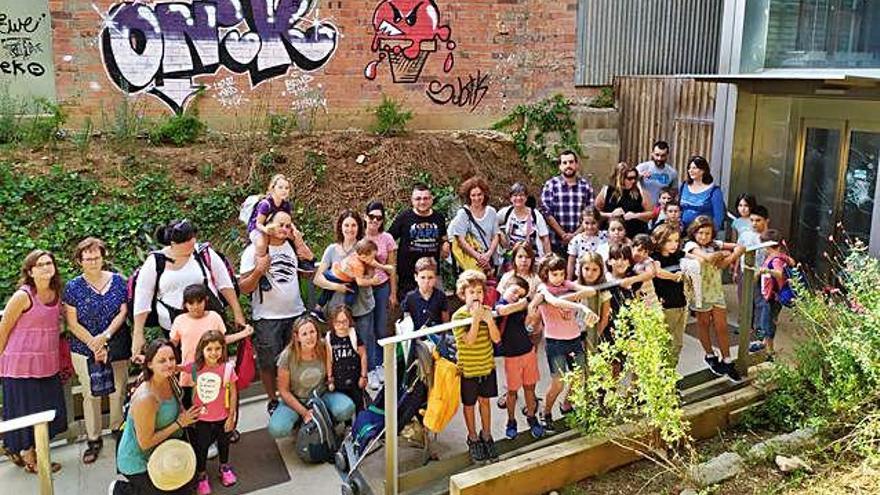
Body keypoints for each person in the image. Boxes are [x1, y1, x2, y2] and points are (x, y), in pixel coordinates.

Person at [131, 219, 248, 359]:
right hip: (176, 328)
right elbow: (143, 299)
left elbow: (225, 285)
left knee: (215, 363)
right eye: (187, 240)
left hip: (209, 322)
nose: (193, 241)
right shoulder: (156, 262)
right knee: (183, 364)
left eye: (193, 237)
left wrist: (237, 312)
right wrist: (138, 334)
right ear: (173, 244)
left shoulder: (203, 253)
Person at [62, 237, 131, 464]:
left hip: (116, 343)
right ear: (80, 261)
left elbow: (122, 312)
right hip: (84, 348)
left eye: (96, 257)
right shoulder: (72, 287)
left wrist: (105, 337)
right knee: (90, 394)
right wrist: (93, 342)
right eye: (87, 258)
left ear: (103, 257)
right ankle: (93, 439)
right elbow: (71, 322)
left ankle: (117, 428)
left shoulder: (119, 281)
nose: (92, 261)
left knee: (117, 390)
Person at [0, 250, 68, 475]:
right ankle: (28, 456)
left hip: (47, 363)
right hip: (19, 365)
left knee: (47, 410)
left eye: (49, 263)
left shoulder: (57, 293)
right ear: (30, 271)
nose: (46, 267)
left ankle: (28, 450)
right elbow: (4, 329)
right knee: (24, 412)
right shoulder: (23, 296)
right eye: (39, 265)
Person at [239, 210, 308, 416]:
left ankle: (297, 396)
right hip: (268, 317)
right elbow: (243, 287)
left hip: (295, 312)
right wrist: (259, 270)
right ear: (268, 225)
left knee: (297, 359)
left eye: (288, 225)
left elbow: (309, 270)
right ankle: (272, 399)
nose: (284, 229)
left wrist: (300, 242)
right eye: (280, 225)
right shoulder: (254, 251)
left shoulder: (291, 246)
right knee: (268, 362)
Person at [113, 339, 201, 495]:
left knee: (189, 484)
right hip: (138, 459)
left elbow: (195, 368)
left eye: (172, 359)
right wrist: (180, 423)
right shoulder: (146, 398)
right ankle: (121, 490)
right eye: (162, 361)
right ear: (149, 364)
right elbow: (145, 443)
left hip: (164, 447)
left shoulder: (170, 377)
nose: (169, 364)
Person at [314, 211, 379, 389]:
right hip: (340, 308)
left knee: (366, 339)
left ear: (359, 227)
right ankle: (340, 378)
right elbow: (318, 279)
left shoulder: (365, 247)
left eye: (353, 225)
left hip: (363, 304)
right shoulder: (331, 250)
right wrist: (338, 287)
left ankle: (370, 373)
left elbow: (374, 272)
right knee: (341, 345)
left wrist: (365, 273)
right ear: (340, 227)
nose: (350, 229)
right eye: (346, 225)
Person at [533, 254, 597, 431]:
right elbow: (553, 301)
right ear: (546, 274)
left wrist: (569, 294)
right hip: (556, 343)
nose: (559, 278)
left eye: (561, 274)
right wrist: (580, 305)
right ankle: (545, 412)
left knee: (579, 376)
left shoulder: (566, 285)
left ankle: (567, 405)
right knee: (558, 382)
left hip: (574, 339)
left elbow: (590, 291)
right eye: (555, 274)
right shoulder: (542, 288)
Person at [267, 317, 356, 439]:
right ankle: (299, 422)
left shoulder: (325, 346)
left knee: (347, 408)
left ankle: (327, 421)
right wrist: (304, 413)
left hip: (321, 395)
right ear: (297, 337)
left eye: (312, 332)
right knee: (277, 429)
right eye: (304, 334)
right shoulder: (287, 356)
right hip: (296, 398)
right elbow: (283, 391)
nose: (309, 337)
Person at [683, 215, 745, 383]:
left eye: (708, 233)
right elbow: (710, 259)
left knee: (722, 327)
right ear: (694, 233)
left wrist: (730, 256)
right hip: (700, 293)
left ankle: (727, 360)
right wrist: (722, 254)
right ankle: (710, 355)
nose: (704, 236)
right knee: (703, 325)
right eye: (700, 232)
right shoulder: (690, 245)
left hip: (716, 292)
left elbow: (739, 248)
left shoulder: (715, 244)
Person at [170, 284, 251, 405]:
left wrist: (243, 334)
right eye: (191, 303)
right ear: (185, 304)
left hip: (214, 371)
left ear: (206, 300)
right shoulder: (179, 320)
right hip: (189, 373)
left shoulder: (214, 317)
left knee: (217, 406)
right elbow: (172, 344)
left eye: (199, 302)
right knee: (190, 409)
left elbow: (222, 340)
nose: (195, 307)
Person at [452, 270, 502, 463]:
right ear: (463, 294)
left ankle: (487, 435)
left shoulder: (488, 311)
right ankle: (472, 437)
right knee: (470, 405)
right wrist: (475, 319)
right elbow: (469, 341)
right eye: (471, 292)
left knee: (485, 402)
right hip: (468, 370)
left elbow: (496, 339)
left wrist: (488, 320)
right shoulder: (458, 317)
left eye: (479, 292)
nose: (476, 296)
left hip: (486, 366)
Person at [180, 331, 238, 494]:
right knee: (202, 446)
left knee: (224, 443)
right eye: (209, 349)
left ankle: (224, 467)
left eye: (217, 348)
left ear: (223, 349)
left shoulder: (227, 369)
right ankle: (202, 474)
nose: (214, 353)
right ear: (202, 350)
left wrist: (231, 416)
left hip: (223, 417)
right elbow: (177, 367)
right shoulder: (195, 368)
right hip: (202, 418)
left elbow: (233, 393)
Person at [494, 276, 544, 440]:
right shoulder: (500, 305)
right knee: (512, 391)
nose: (517, 296)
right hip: (511, 357)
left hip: (528, 352)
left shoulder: (522, 305)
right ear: (506, 287)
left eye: (521, 294)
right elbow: (503, 311)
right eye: (514, 291)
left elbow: (534, 303)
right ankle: (511, 420)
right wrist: (522, 303)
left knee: (530, 389)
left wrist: (527, 305)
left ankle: (531, 416)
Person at [388, 184, 450, 301]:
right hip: (408, 278)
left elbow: (443, 238)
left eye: (426, 198)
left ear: (431, 200)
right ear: (412, 201)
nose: (422, 202)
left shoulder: (439, 218)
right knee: (409, 316)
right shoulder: (404, 217)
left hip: (431, 275)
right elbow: (388, 239)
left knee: (437, 311)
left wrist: (445, 244)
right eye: (418, 198)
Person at [363, 201, 398, 378]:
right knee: (366, 328)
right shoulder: (359, 236)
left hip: (382, 286)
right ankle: (370, 367)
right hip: (363, 289)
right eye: (372, 217)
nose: (375, 221)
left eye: (379, 218)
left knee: (381, 327)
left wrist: (393, 292)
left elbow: (392, 267)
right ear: (365, 216)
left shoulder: (387, 238)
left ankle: (379, 363)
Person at [312, 238, 385, 321]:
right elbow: (360, 282)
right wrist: (372, 281)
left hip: (332, 273)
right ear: (364, 256)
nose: (372, 260)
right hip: (339, 277)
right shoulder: (359, 265)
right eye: (371, 258)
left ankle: (318, 308)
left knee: (327, 292)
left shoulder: (356, 253)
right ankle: (347, 310)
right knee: (352, 290)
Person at [540, 150, 595, 257]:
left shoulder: (586, 187)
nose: (568, 165)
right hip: (556, 242)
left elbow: (591, 214)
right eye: (564, 163)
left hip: (580, 242)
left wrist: (574, 235)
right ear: (560, 166)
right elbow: (546, 212)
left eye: (571, 162)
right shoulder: (551, 185)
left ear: (576, 164)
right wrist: (563, 234)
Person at [651, 224, 688, 368]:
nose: (674, 244)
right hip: (665, 305)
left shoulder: (677, 255)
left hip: (681, 302)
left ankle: (670, 376)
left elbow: (694, 256)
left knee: (677, 344)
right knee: (664, 344)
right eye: (669, 241)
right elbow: (657, 271)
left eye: (676, 240)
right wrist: (674, 277)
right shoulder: (655, 257)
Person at [448, 176, 501, 275]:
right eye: (473, 195)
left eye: (479, 194)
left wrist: (488, 255)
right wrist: (478, 257)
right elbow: (461, 240)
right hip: (471, 259)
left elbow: (496, 235)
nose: (477, 198)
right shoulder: (463, 214)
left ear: (484, 194)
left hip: (489, 258)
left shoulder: (491, 212)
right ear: (469, 196)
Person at [755, 230, 794, 358]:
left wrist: (766, 270)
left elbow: (779, 273)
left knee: (767, 322)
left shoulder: (776, 259)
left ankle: (769, 350)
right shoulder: (782, 256)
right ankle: (763, 343)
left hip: (773, 296)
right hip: (771, 295)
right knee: (765, 320)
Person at [402, 257, 451, 354]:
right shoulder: (410, 297)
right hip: (417, 341)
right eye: (423, 277)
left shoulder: (440, 296)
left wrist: (442, 336)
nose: (426, 281)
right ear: (416, 277)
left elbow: (445, 320)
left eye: (430, 278)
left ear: (435, 278)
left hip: (437, 339)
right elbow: (406, 323)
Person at [325, 306, 367, 413]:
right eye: (338, 322)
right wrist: (330, 378)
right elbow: (329, 359)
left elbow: (363, 355)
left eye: (344, 322)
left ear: (349, 321)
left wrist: (364, 376)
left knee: (359, 404)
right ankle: (347, 426)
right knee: (343, 406)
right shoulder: (330, 337)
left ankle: (359, 426)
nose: (341, 326)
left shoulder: (353, 335)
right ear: (333, 323)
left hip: (355, 378)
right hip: (339, 380)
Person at [595, 163, 653, 239]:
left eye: (635, 178)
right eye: (630, 178)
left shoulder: (640, 191)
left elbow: (651, 213)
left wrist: (635, 215)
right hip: (611, 236)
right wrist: (611, 214)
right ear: (620, 178)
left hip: (634, 235)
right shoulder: (607, 191)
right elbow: (595, 213)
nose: (633, 181)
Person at [497, 182, 551, 259]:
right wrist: (500, 234)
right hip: (512, 258)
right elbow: (492, 223)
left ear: (526, 197)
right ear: (510, 198)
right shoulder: (507, 212)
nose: (518, 198)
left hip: (533, 258)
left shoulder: (535, 214)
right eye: (515, 195)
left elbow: (545, 238)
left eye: (521, 195)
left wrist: (548, 259)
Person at [576, 252, 611, 355]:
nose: (590, 273)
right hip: (574, 334)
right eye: (586, 269)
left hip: (593, 333)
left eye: (594, 270)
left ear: (601, 271)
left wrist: (594, 337)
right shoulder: (573, 288)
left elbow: (605, 318)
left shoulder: (604, 291)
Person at [679, 156, 726, 232]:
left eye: (694, 168)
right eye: (689, 168)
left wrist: (711, 234)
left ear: (703, 170)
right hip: (683, 231)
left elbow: (719, 217)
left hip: (703, 233)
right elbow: (679, 208)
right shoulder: (684, 185)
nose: (690, 171)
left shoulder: (714, 190)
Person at [566, 206, 607, 280]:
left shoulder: (605, 237)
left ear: (598, 222)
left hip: (601, 278)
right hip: (582, 278)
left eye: (593, 223)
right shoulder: (576, 240)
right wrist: (568, 281)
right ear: (581, 223)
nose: (590, 227)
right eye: (586, 223)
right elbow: (571, 263)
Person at [637, 140, 679, 204]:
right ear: (652, 153)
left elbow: (674, 193)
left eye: (663, 155)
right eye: (657, 155)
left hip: (661, 209)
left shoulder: (672, 173)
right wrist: (640, 176)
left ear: (667, 155)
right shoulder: (642, 167)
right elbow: (629, 182)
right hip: (642, 207)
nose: (659, 158)